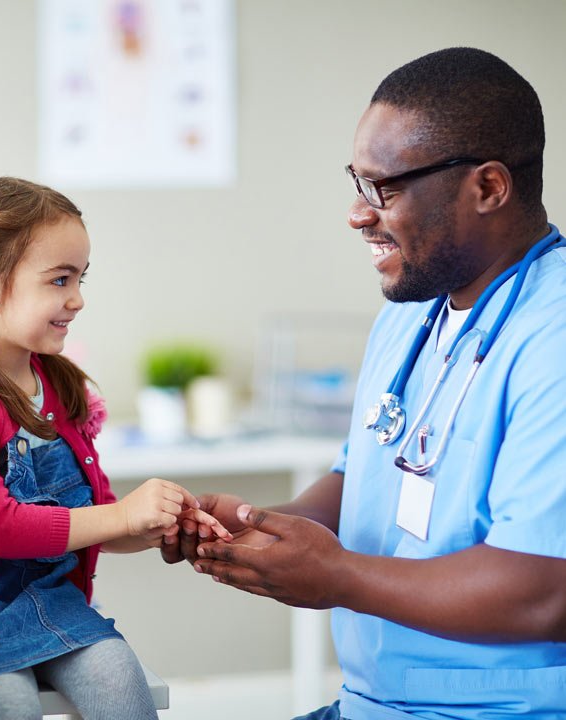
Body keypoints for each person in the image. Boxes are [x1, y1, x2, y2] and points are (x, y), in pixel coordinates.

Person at [163, 47, 566, 720]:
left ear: (489, 188)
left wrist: (336, 576)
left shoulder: (552, 336)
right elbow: (361, 483)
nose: (357, 214)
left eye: (386, 188)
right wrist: (255, 527)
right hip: (369, 705)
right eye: (356, 181)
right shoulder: (409, 316)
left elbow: (544, 591)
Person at [0, 176, 230, 720]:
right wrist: (122, 515)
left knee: (119, 678)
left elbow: (95, 519)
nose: (78, 299)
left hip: (39, 590)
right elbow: (1, 527)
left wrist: (153, 526)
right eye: (60, 280)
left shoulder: (59, 385)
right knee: (5, 703)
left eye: (81, 278)